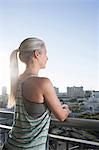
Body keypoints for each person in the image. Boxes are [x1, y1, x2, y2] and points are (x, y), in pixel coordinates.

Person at [2, 37, 70, 150]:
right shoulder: (43, 83)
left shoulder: (18, 80)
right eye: (45, 53)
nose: (47, 57)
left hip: (10, 145)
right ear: (36, 54)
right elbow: (61, 116)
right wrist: (66, 108)